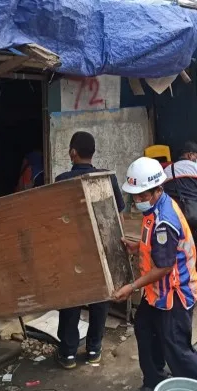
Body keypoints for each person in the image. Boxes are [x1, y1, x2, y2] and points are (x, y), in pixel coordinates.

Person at [114, 157, 197, 391]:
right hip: (157, 293)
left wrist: (131, 287)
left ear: (158, 189)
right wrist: (137, 246)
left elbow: (164, 266)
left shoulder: (164, 220)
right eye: (135, 196)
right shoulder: (156, 207)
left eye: (142, 195)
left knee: (177, 349)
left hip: (175, 294)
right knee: (145, 329)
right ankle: (153, 381)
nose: (137, 200)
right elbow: (157, 248)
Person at [55, 131, 125, 369]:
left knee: (71, 300)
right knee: (100, 300)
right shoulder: (107, 179)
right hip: (101, 249)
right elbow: (118, 215)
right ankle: (94, 349)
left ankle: (68, 354)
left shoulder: (62, 180)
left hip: (72, 250)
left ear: (73, 152)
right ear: (92, 153)